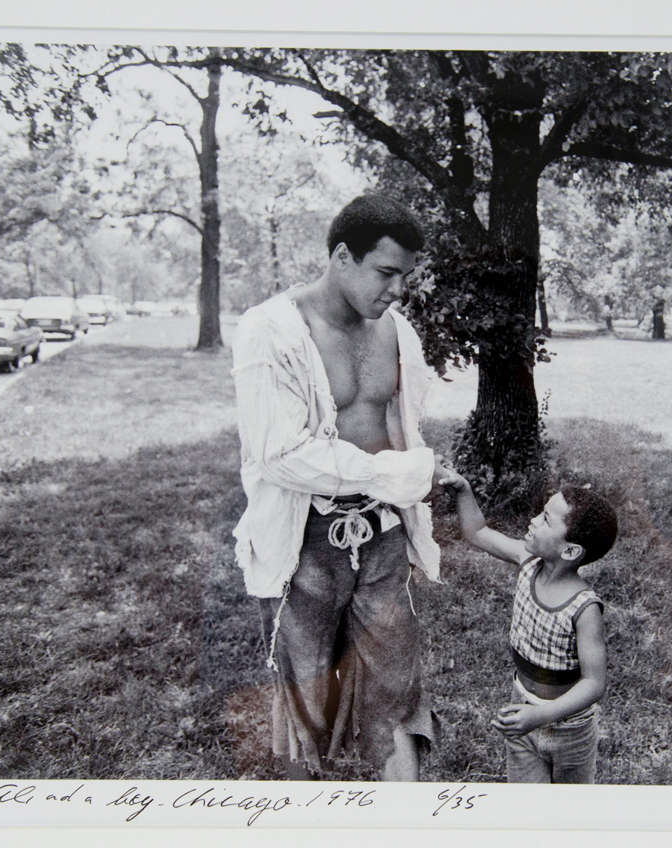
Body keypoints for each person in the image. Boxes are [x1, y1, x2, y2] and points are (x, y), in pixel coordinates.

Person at [230, 194, 442, 781]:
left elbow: (400, 427)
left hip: (383, 534)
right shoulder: (270, 331)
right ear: (343, 257)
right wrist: (393, 473)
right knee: (306, 695)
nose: (398, 290)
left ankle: (409, 824)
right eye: (386, 272)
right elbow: (279, 454)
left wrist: (417, 471)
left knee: (397, 684)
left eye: (406, 276)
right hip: (305, 543)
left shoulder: (397, 332)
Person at [438, 467, 619, 783]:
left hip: (570, 731)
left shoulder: (583, 607)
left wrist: (541, 715)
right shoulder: (527, 560)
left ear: (570, 550)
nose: (533, 520)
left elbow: (594, 683)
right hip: (521, 711)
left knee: (570, 815)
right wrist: (465, 490)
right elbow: (478, 532)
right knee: (525, 806)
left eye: (546, 519)